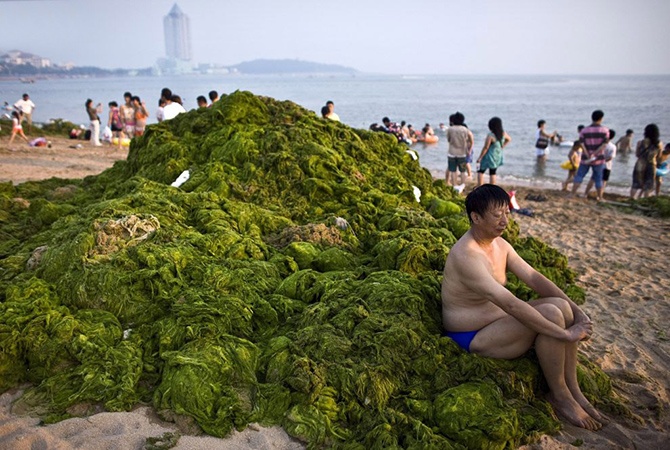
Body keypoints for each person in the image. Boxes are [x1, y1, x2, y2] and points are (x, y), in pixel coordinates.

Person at [442, 184, 604, 431]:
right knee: (551, 314)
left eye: (507, 212)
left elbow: (534, 278)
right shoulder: (467, 255)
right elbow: (510, 303)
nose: (505, 221)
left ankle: (573, 390)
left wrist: (578, 311)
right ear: (476, 217)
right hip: (472, 336)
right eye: (498, 216)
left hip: (497, 322)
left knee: (562, 307)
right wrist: (564, 334)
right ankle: (560, 396)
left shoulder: (500, 245)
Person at [570, 110, 609, 200]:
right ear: (601, 118)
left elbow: (582, 143)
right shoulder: (605, 130)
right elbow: (604, 144)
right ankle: (600, 197)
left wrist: (588, 154)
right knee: (598, 178)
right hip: (598, 158)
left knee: (579, 175)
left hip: (585, 158)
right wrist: (594, 153)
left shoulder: (584, 130)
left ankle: (572, 194)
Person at [630, 123, 663, 199]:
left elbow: (637, 154)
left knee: (635, 183)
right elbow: (659, 156)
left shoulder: (640, 142)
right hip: (651, 165)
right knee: (649, 185)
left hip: (640, 164)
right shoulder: (659, 143)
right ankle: (645, 200)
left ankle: (632, 199)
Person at [476, 117, 511, 186]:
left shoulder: (490, 136)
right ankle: (492, 187)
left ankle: (480, 186)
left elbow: (486, 147)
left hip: (489, 156)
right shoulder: (503, 133)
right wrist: (502, 147)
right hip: (497, 155)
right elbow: (509, 139)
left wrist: (480, 158)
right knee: (493, 172)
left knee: (480, 171)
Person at [585, 129, 616, 199]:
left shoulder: (599, 144)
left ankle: (585, 193)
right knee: (603, 181)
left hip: (598, 164)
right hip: (607, 166)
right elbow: (611, 157)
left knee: (592, 179)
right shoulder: (612, 146)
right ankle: (599, 196)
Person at [446, 112, 474, 188]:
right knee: (462, 170)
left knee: (453, 170)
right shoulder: (465, 130)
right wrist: (469, 150)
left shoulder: (450, 129)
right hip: (462, 153)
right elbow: (471, 140)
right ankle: (462, 184)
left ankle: (455, 185)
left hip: (452, 152)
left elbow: (448, 139)